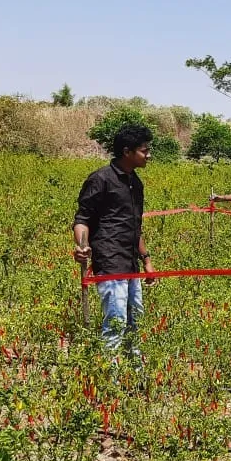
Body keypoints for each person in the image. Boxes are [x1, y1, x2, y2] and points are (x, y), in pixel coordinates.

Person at [72, 123, 156, 366]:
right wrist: (82, 246)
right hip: (109, 260)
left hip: (131, 262)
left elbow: (134, 226)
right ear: (127, 152)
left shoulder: (135, 183)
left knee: (135, 319)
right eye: (144, 150)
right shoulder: (100, 179)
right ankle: (111, 380)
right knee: (116, 321)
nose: (148, 155)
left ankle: (135, 372)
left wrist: (147, 260)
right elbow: (82, 219)